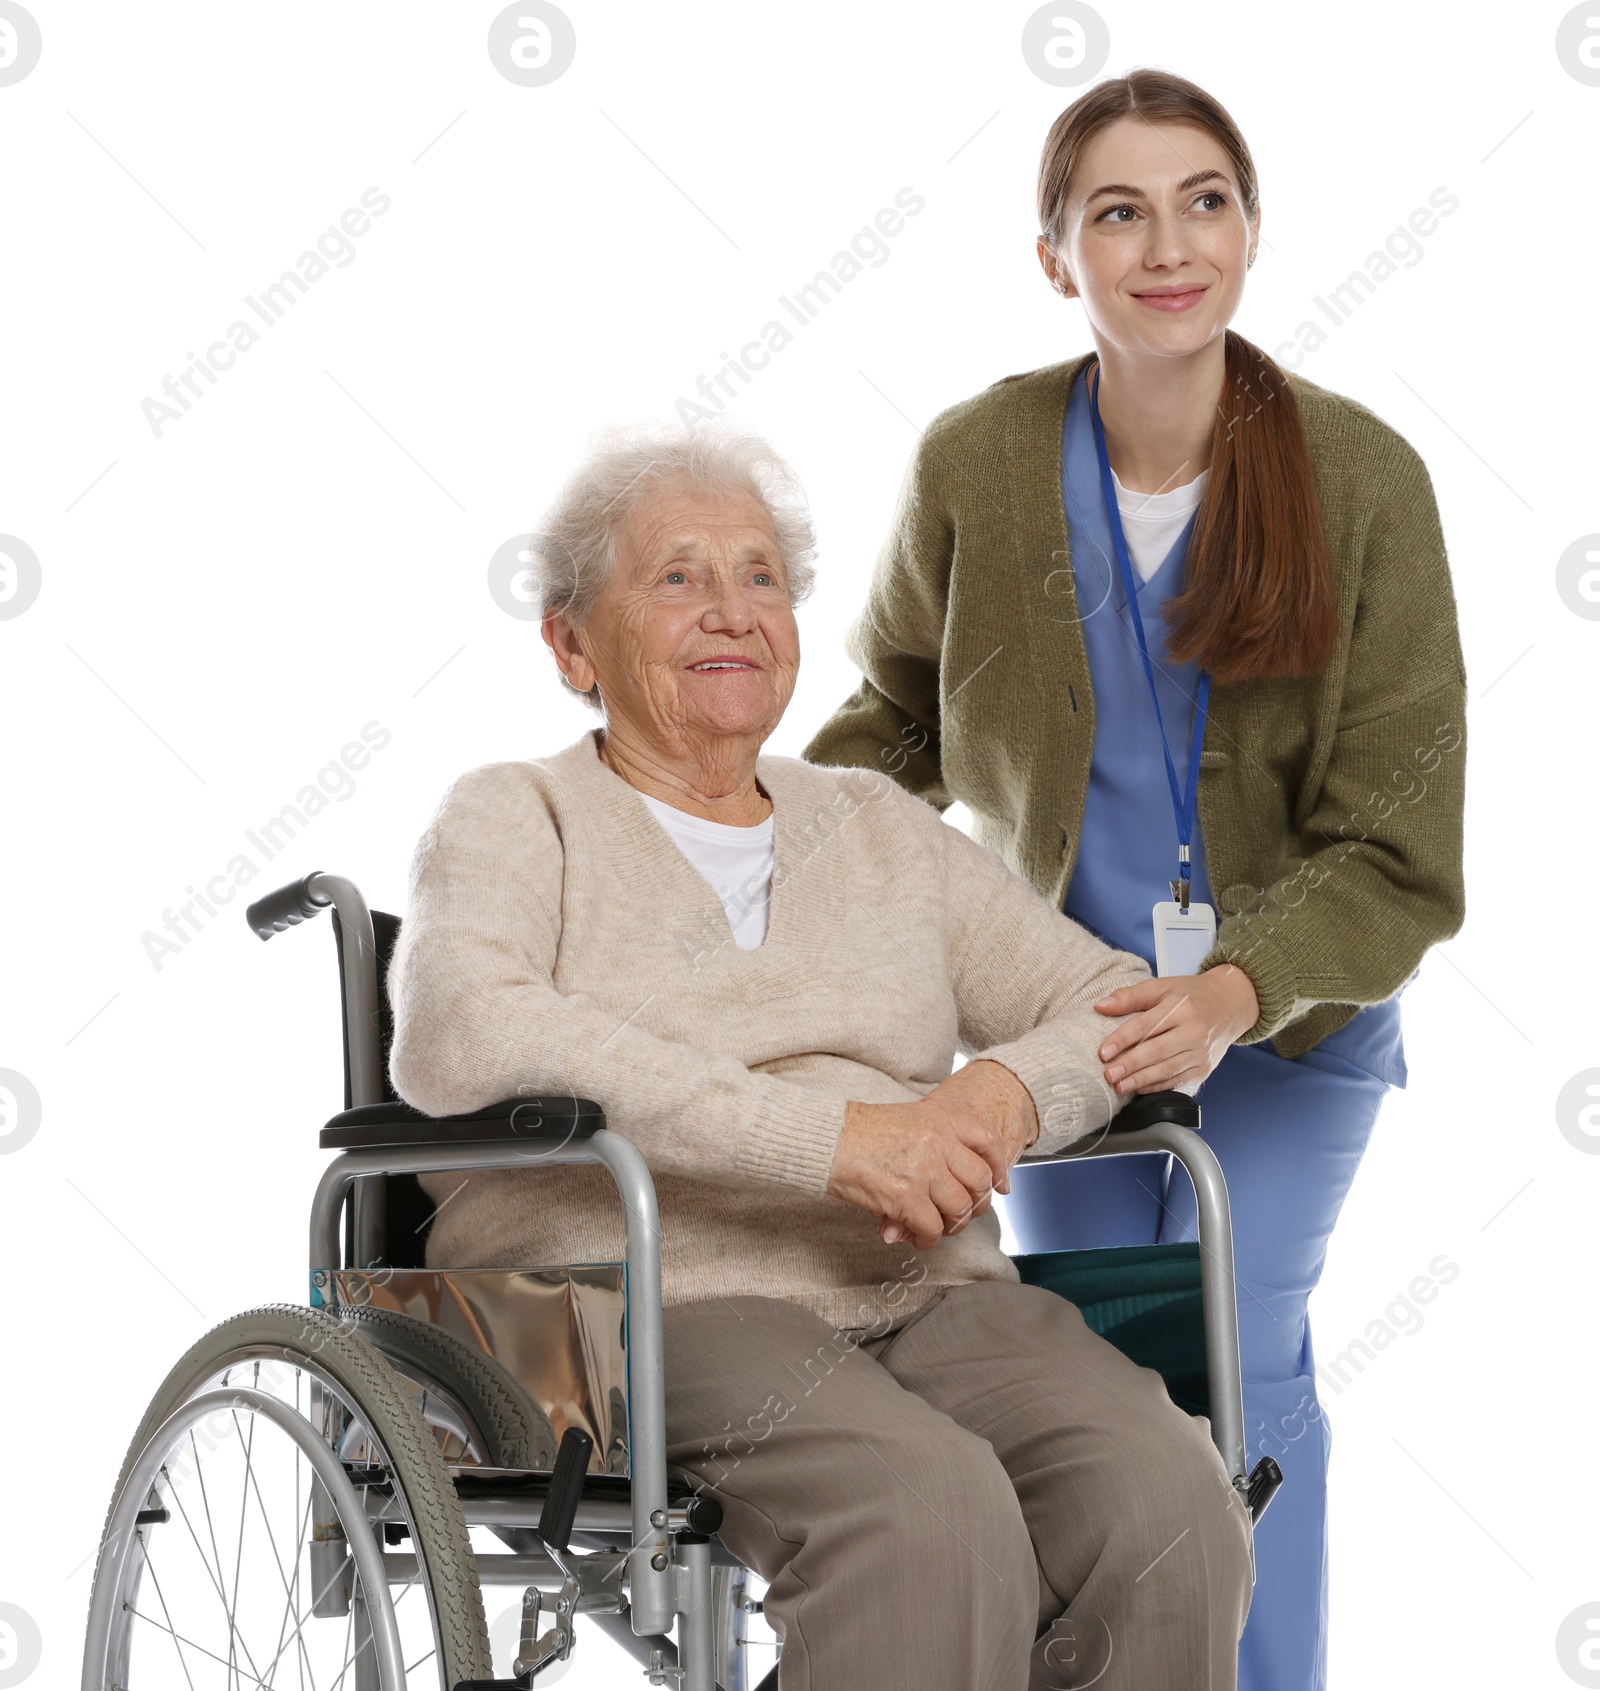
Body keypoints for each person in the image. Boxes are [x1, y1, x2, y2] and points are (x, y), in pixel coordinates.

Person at [387, 420, 1253, 1689]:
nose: (731, 611)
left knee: (1168, 1498)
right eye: (676, 576)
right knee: (922, 1508)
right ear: (570, 640)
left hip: (919, 1285)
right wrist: (834, 1143)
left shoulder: (875, 826)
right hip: (631, 1299)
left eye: (761, 578)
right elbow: (464, 1020)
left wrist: (1002, 1090)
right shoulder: (517, 815)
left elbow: (1113, 998)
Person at [802, 68, 1466, 1691]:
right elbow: (894, 722)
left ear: (1249, 229)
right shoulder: (980, 460)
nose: (1169, 246)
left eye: (1205, 201)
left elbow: (1403, 843)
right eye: (1119, 210)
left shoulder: (1361, 477)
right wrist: (747, 851)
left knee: (1236, 1356)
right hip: (1061, 1038)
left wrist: (1235, 989)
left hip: (1291, 1033)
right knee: (1101, 1380)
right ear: (1056, 256)